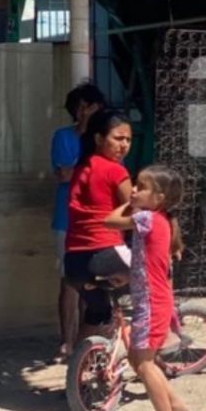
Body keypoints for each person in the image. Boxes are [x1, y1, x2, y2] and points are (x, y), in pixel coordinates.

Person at [105, 165, 190, 411]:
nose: (134, 190)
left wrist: (129, 203)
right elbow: (150, 263)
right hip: (153, 299)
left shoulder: (147, 217)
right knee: (138, 358)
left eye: (141, 187)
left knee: (143, 363)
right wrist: (129, 277)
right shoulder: (160, 220)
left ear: (159, 198)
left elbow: (110, 221)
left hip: (152, 303)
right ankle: (178, 409)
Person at [65, 109, 134, 339]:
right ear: (98, 138)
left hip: (74, 262)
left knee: (98, 312)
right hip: (105, 254)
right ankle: (164, 338)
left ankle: (81, 357)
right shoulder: (115, 170)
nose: (124, 145)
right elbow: (136, 211)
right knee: (160, 274)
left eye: (128, 140)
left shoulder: (80, 168)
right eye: (118, 138)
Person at [50, 82, 105, 363]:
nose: (85, 112)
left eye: (90, 107)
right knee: (69, 281)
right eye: (81, 108)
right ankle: (66, 342)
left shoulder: (105, 139)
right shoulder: (63, 137)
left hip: (98, 220)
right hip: (67, 219)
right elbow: (63, 174)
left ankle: (86, 343)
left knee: (92, 282)